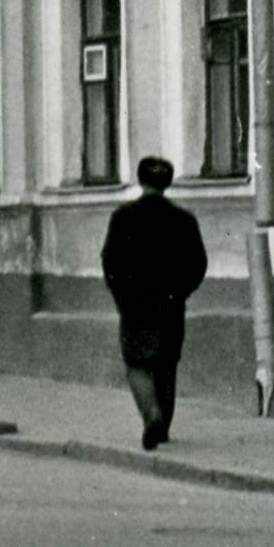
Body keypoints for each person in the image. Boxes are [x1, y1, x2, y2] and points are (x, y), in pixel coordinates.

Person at [100, 155, 208, 450]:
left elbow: (110, 262)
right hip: (171, 305)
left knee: (137, 363)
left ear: (140, 179)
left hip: (134, 305)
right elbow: (198, 264)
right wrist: (180, 292)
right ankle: (164, 428)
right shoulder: (184, 220)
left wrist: (121, 296)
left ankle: (151, 415)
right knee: (167, 365)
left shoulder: (123, 217)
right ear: (168, 182)